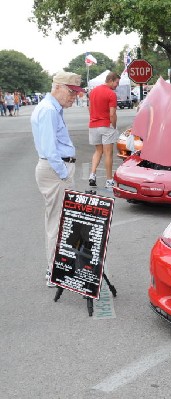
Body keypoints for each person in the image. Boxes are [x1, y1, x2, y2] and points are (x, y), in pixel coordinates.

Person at [30, 71, 85, 287]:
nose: (74, 97)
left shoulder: (53, 108)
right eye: (71, 92)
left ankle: (57, 267)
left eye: (76, 93)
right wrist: (64, 174)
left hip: (56, 169)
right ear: (58, 87)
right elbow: (49, 149)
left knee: (61, 220)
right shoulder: (49, 110)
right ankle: (54, 270)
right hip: (55, 171)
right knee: (57, 221)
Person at [88, 71, 120, 188]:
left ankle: (92, 174)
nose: (117, 85)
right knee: (108, 154)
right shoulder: (111, 94)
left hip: (93, 125)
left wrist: (94, 118)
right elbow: (112, 114)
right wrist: (114, 126)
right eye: (116, 82)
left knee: (98, 151)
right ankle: (109, 180)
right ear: (111, 80)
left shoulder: (93, 91)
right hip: (106, 125)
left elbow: (89, 108)